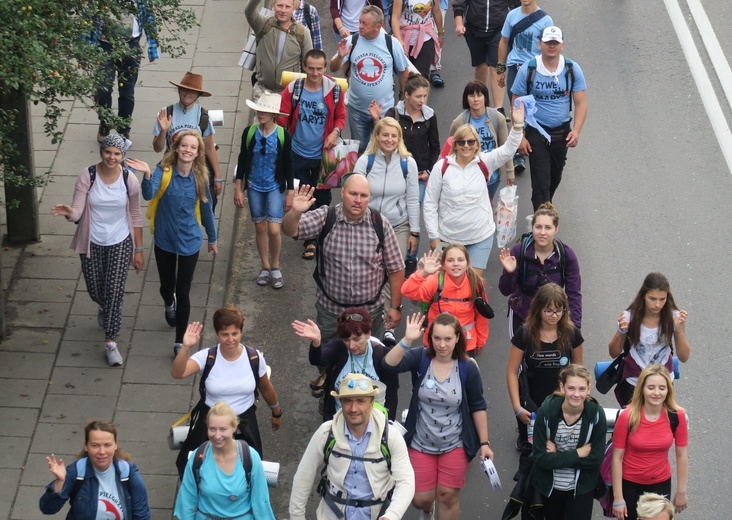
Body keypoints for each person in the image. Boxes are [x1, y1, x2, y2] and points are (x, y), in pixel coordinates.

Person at [383, 313, 494, 520]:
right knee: (419, 499)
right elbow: (389, 365)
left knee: (447, 495)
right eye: (437, 338)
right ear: (430, 337)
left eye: (448, 339)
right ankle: (428, 509)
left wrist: (484, 443)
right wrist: (407, 340)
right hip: (420, 441)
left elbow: (478, 406)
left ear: (457, 338)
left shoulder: (468, 368)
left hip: (455, 443)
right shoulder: (421, 358)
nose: (442, 344)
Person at [51, 134, 144, 367]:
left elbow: (135, 214)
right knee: (95, 289)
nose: (112, 157)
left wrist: (139, 249)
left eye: (117, 153)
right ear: (101, 152)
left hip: (121, 241)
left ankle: (111, 342)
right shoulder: (88, 176)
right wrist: (69, 213)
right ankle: (103, 306)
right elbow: (78, 212)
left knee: (114, 291)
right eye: (108, 152)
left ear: (122, 156)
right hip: (92, 241)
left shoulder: (128, 179)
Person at [283, 174, 405, 343]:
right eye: (353, 194)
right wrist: (295, 213)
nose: (358, 200)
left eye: (363, 196)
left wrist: (395, 307)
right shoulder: (326, 217)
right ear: (342, 193)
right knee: (327, 361)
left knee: (369, 364)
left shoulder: (380, 224)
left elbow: (396, 268)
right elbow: (290, 230)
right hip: (331, 313)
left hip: (370, 313)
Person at [131, 131, 217, 355]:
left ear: (198, 153)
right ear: (177, 148)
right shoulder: (163, 171)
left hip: (190, 240)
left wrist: (213, 238)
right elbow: (148, 195)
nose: (188, 150)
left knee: (184, 290)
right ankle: (169, 302)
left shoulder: (200, 178)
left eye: (193, 147)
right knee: (167, 286)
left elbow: (206, 209)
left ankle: (180, 342)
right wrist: (148, 173)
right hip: (165, 239)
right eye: (184, 146)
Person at [171, 307, 282, 477]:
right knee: (191, 468)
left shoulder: (254, 357)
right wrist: (186, 347)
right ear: (217, 334)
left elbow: (265, 386)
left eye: (235, 333)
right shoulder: (207, 357)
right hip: (211, 425)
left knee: (251, 471)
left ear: (241, 332)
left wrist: (276, 412)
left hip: (244, 424)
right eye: (225, 334)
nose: (231, 339)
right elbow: (178, 373)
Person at [290, 372, 415, 519]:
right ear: (341, 403)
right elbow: (304, 476)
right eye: (347, 401)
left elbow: (406, 481)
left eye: (360, 401)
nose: (353, 408)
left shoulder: (390, 437)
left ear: (372, 402)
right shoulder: (326, 433)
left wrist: (391, 516)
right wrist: (296, 516)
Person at [423, 100, 525, 275]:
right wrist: (433, 236)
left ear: (477, 144)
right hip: (449, 238)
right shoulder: (441, 168)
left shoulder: (485, 162)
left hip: (480, 236)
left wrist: (517, 125)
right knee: (447, 287)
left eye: (471, 142)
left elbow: (508, 150)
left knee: (472, 287)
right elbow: (430, 203)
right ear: (455, 145)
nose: (466, 146)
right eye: (461, 142)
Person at [279, 49, 346, 260]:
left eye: (319, 68)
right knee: (304, 193)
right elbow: (282, 118)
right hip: (297, 152)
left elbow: (341, 117)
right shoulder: (293, 89)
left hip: (324, 155)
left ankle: (320, 234)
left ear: (325, 68)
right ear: (304, 67)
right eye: (311, 68)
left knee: (323, 196)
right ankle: (309, 238)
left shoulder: (334, 90)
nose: (315, 73)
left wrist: (335, 132)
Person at [511, 26, 588, 210]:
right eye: (548, 42)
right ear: (540, 44)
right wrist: (520, 136)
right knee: (540, 181)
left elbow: (581, 103)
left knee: (555, 176)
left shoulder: (571, 69)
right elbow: (516, 103)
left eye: (555, 43)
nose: (551, 46)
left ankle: (545, 210)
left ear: (562, 45)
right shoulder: (528, 69)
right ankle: (542, 220)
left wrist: (576, 131)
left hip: (561, 133)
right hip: (536, 132)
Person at [354, 117, 420, 315]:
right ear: (377, 136)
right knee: (369, 268)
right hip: (368, 224)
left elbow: (413, 198)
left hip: (398, 226)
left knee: (394, 270)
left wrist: (414, 232)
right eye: (385, 135)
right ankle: (367, 309)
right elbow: (353, 192)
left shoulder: (408, 163)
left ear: (399, 138)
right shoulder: (366, 161)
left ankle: (389, 314)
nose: (390, 140)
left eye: (394, 135)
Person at [507, 283, 584, 449]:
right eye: (548, 310)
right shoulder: (525, 333)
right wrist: (517, 407)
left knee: (558, 448)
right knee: (531, 450)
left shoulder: (572, 334)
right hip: (531, 402)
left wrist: (577, 403)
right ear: (538, 309)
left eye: (558, 310)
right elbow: (512, 371)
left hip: (561, 403)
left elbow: (579, 373)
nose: (554, 315)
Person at [292, 307, 399, 421]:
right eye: (346, 340)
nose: (351, 346)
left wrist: (386, 428)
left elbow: (391, 399)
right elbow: (317, 360)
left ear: (368, 333)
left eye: (357, 339)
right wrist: (316, 342)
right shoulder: (339, 348)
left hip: (371, 425)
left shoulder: (382, 356)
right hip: (339, 422)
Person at [329, 6, 411, 154]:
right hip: (357, 110)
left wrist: (403, 99)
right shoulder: (350, 41)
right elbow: (333, 68)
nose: (359, 26)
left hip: (384, 110)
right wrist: (340, 56)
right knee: (360, 151)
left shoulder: (391, 43)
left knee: (385, 150)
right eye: (359, 22)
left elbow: (403, 71)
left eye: (364, 23)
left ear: (378, 27)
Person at [611, 364, 689, 520]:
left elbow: (682, 456)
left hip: (660, 483)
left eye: (662, 388)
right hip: (630, 484)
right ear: (642, 389)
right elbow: (616, 458)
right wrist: (618, 498)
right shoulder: (627, 416)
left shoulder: (677, 416)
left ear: (668, 390)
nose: (656, 393)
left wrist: (681, 491)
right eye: (651, 387)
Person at [174, 402, 275, 520]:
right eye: (212, 429)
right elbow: (187, 501)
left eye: (223, 429)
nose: (217, 436)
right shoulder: (198, 457)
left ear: (234, 428)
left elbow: (261, 502)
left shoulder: (250, 457)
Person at [235, 92, 294, 289]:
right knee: (260, 227)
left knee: (274, 228)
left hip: (274, 186)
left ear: (274, 115)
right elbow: (242, 159)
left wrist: (290, 192)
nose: (260, 113)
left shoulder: (282, 135)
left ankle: (276, 265)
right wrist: (238, 186)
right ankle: (265, 266)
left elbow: (288, 165)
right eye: (259, 109)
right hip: (254, 185)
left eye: (265, 111)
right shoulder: (249, 132)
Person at [532, 364, 606, 520]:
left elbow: (596, 459)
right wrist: (578, 453)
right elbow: (540, 458)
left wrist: (557, 456)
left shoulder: (595, 413)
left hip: (581, 488)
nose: (576, 394)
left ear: (588, 389)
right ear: (562, 387)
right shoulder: (546, 412)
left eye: (581, 389)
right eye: (571, 388)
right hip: (551, 487)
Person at [498, 202, 582, 336]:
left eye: (548, 228)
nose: (542, 233)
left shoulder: (566, 255)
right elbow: (505, 290)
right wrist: (510, 273)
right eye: (538, 227)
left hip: (554, 316)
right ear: (532, 228)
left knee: (551, 356)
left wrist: (575, 329)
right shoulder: (519, 251)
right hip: (523, 314)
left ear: (556, 229)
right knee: (522, 356)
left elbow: (574, 294)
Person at [608, 273, 691, 407]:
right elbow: (613, 352)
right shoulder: (629, 317)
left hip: (663, 383)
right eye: (652, 299)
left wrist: (679, 330)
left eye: (662, 299)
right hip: (634, 381)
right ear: (643, 296)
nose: (657, 304)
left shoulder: (673, 317)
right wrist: (621, 331)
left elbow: (684, 356)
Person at [40, 420, 150, 519]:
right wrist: (60, 482)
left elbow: (141, 515)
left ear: (115, 445)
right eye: (95, 445)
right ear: (86, 446)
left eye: (107, 445)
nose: (102, 451)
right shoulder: (77, 471)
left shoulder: (128, 473)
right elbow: (48, 509)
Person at [496, 0, 553, 173]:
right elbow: (504, 41)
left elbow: (551, 48)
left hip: (535, 71)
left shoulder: (545, 20)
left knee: (536, 110)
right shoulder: (512, 16)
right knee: (517, 110)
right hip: (515, 69)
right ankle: (517, 150)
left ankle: (537, 145)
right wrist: (500, 68)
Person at [153, 72, 223, 210]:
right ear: (179, 90)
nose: (187, 93)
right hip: (173, 167)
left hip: (197, 168)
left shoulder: (203, 115)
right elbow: (157, 148)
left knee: (203, 205)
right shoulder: (166, 112)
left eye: (192, 91)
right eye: (184, 89)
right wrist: (163, 131)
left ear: (198, 95)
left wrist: (218, 177)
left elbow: (209, 147)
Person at [403, 246, 489, 356]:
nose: (456, 264)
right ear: (443, 265)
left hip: (465, 345)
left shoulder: (475, 284)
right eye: (450, 260)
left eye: (460, 260)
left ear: (467, 264)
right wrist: (423, 273)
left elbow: (482, 315)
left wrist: (481, 340)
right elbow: (407, 291)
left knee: (462, 373)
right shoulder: (435, 281)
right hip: (437, 344)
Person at [449, 79, 515, 202]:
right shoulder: (459, 122)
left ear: (485, 98)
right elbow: (451, 150)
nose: (476, 99)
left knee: (487, 206)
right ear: (466, 99)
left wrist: (510, 172)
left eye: (479, 95)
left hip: (492, 176)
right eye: (471, 95)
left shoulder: (497, 118)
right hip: (469, 178)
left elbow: (506, 148)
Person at [383, 73, 440, 204]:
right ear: (407, 95)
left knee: (413, 212)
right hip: (395, 173)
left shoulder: (430, 116)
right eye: (418, 96)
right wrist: (376, 121)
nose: (422, 100)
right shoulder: (393, 113)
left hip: (419, 176)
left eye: (425, 96)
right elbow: (382, 139)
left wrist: (429, 171)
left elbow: (435, 147)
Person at [454, 0, 517, 108]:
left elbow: (516, 6)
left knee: (496, 67)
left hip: (499, 31)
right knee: (481, 65)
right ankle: (481, 103)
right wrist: (459, 25)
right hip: (474, 31)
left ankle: (498, 109)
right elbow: (459, 4)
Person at [245, 0, 313, 99]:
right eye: (280, 6)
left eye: (287, 7)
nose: (283, 10)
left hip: (289, 93)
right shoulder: (263, 24)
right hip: (263, 90)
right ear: (273, 5)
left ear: (294, 8)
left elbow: (309, 65)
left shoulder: (302, 33)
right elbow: (249, 11)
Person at [391, 0, 444, 81]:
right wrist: (399, 40)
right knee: (407, 77)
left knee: (422, 77)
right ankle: (404, 93)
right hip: (406, 40)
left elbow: (436, 12)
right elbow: (395, 17)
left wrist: (440, 34)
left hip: (426, 38)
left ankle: (421, 92)